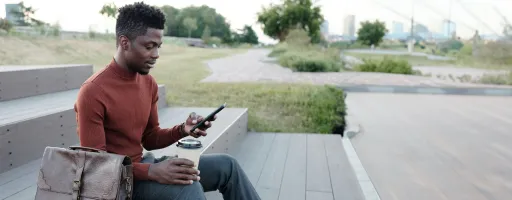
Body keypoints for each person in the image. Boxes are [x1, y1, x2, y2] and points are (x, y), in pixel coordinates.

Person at [73, 2, 261, 200]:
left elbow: (151, 138)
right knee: (188, 188)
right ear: (124, 42)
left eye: (158, 46)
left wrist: (183, 130)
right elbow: (96, 165)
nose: (156, 55)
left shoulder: (148, 82)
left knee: (227, 166)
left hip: (145, 166)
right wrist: (152, 172)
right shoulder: (93, 92)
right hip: (117, 186)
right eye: (149, 46)